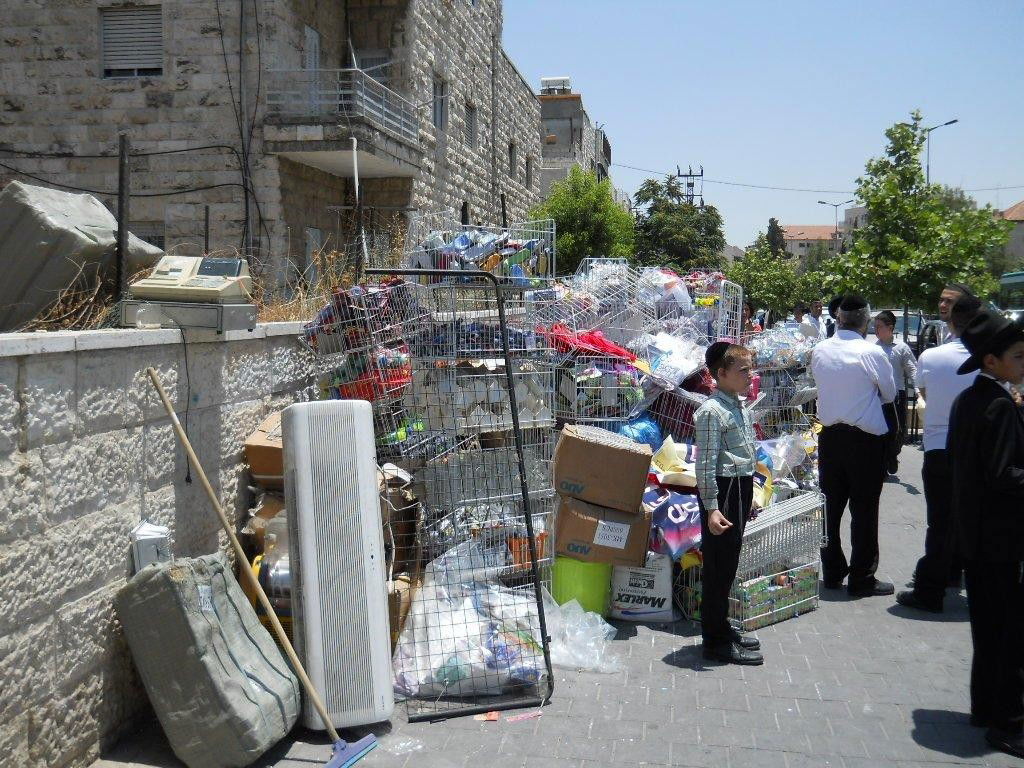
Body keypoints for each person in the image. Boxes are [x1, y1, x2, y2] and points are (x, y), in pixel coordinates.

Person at [946, 310, 1024, 759]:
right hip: (1000, 538)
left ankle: (985, 707)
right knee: (1010, 633)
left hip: (978, 535)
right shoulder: (995, 404)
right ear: (991, 361)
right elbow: (1003, 474)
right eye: (1017, 355)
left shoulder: (974, 398)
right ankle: (1007, 723)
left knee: (990, 628)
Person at [896, 295, 981, 613]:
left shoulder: (932, 357)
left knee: (940, 522)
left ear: (951, 321)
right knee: (969, 518)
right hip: (976, 452)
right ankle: (952, 573)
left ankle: (931, 589)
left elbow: (926, 395)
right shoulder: (990, 360)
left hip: (939, 447)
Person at [810, 295, 898, 597]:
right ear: (865, 322)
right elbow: (888, 394)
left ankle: (832, 571)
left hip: (830, 437)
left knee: (830, 510)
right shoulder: (871, 353)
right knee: (864, 510)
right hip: (865, 441)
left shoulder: (820, 350)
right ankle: (862, 577)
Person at [693, 342, 763, 665]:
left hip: (738, 488)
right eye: (743, 370)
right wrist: (712, 508)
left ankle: (721, 627)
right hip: (723, 492)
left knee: (729, 563)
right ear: (721, 374)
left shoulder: (736, 405)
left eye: (750, 368)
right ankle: (715, 640)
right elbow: (705, 465)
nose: (750, 376)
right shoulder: (711, 411)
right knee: (719, 567)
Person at [873, 310, 918, 474]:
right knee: (880, 431)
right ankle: (883, 464)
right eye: (874, 326)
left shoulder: (901, 348)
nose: (876, 330)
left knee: (897, 431)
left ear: (890, 327)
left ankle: (892, 454)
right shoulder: (873, 348)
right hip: (877, 396)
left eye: (879, 327)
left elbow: (913, 369)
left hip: (897, 396)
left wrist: (919, 389)